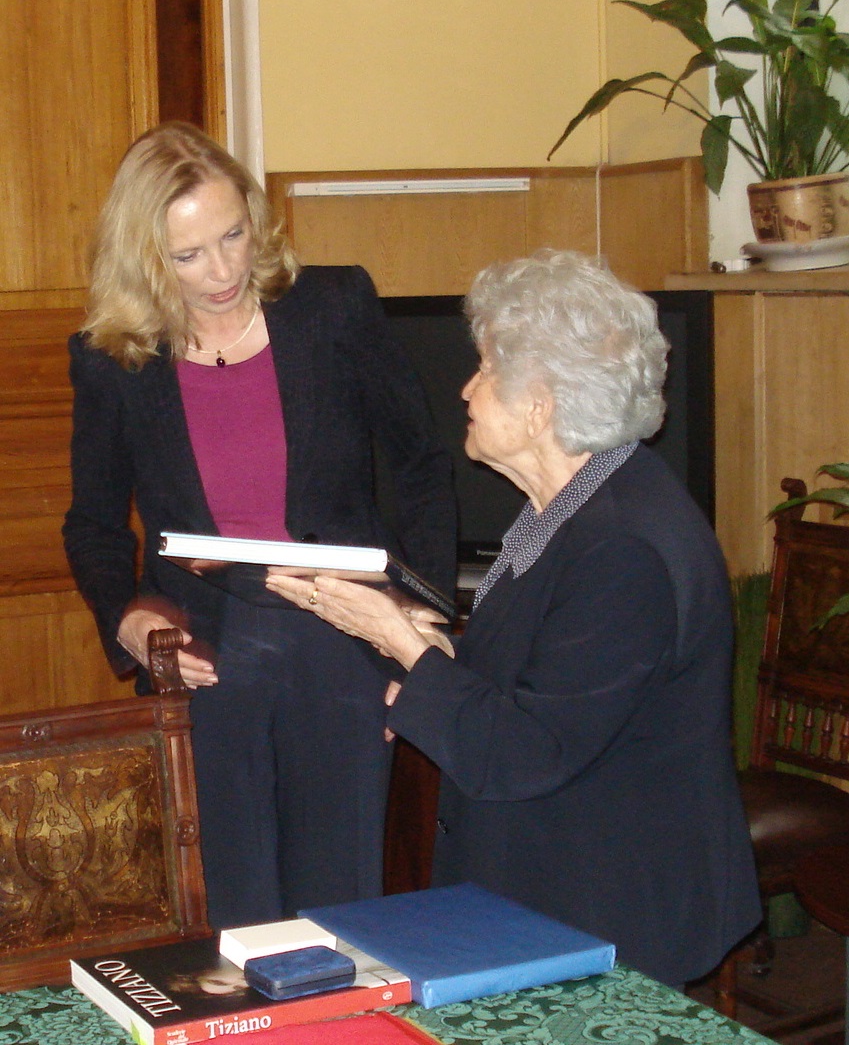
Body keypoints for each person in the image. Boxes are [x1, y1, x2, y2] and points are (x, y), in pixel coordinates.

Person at [265, 249, 762, 987]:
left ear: (542, 406)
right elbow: (546, 681)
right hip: (562, 885)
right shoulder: (576, 508)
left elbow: (526, 751)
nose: (466, 388)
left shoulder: (622, 545)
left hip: (612, 908)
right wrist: (436, 665)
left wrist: (399, 640)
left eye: (487, 369)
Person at [62, 121, 457, 929]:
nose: (222, 270)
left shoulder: (334, 307)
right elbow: (95, 523)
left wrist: (414, 628)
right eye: (189, 254)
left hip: (339, 636)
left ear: (253, 216)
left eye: (233, 235)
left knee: (341, 908)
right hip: (211, 654)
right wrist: (129, 617)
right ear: (145, 258)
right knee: (233, 914)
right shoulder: (114, 357)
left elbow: (421, 464)